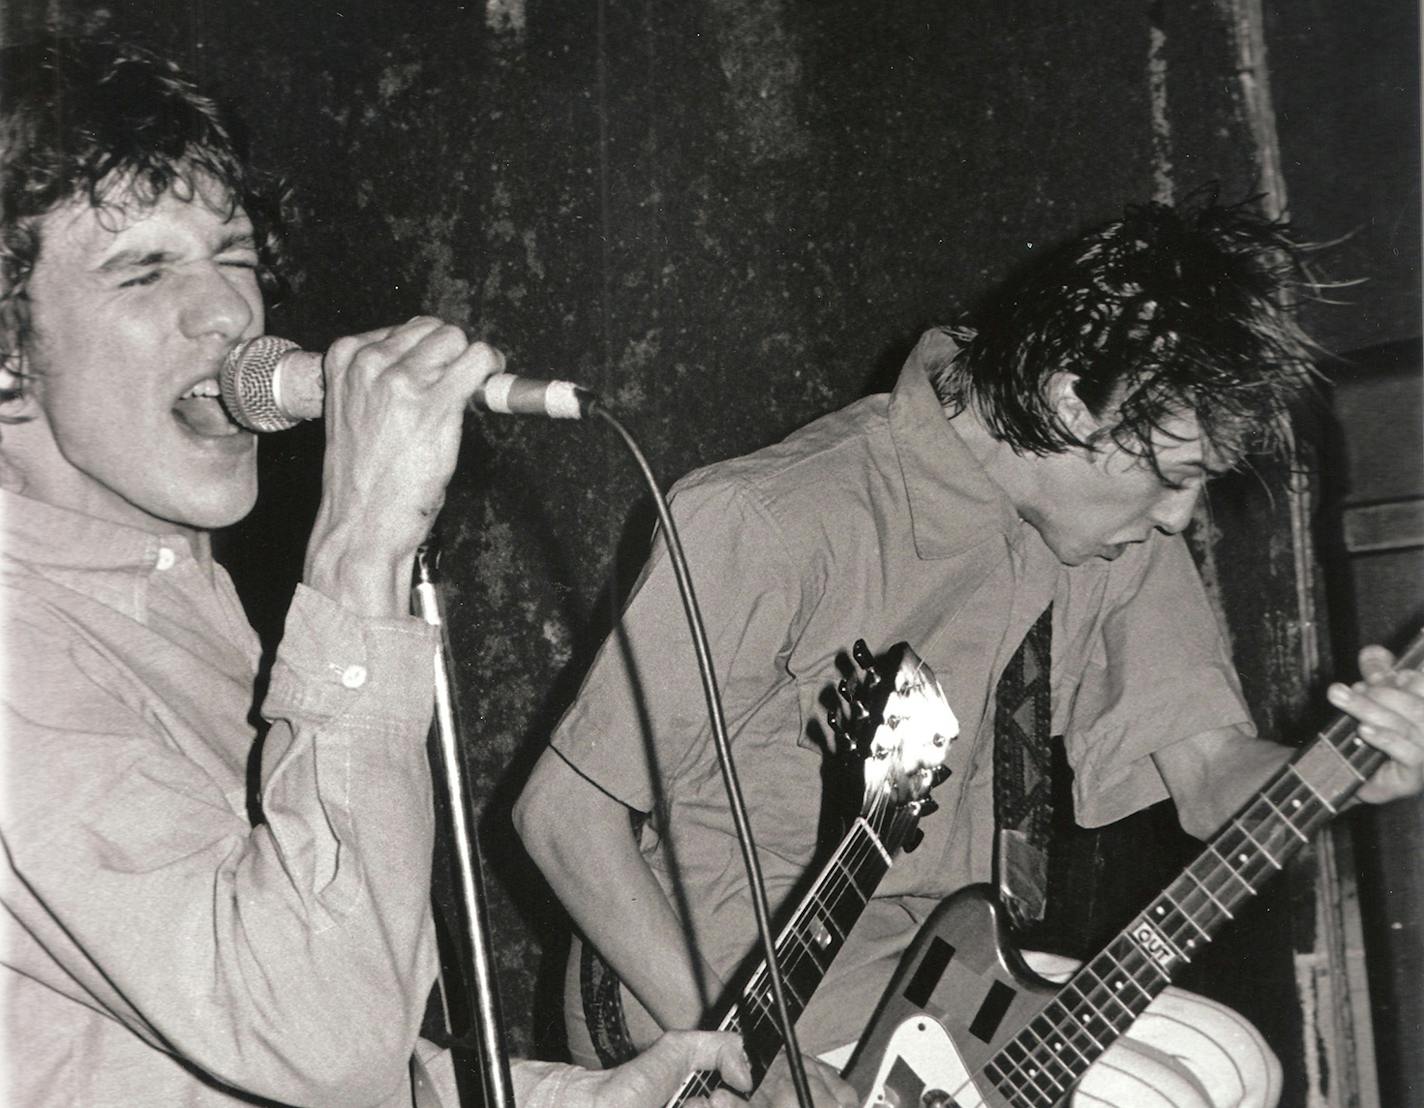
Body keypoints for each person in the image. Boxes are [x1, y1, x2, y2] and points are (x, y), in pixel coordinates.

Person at [0, 35, 855, 1108]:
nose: (227, 313)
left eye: (234, 254)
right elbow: (315, 1038)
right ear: (8, 347)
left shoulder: (170, 590)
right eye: (144, 269)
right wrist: (358, 555)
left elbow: (341, 1020)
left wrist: (580, 1100)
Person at [514, 195, 1424, 1107]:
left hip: (932, 974)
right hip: (708, 1001)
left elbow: (1212, 775)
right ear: (1072, 400)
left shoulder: (1114, 539)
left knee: (1232, 1065)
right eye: (1173, 476)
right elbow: (561, 817)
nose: (1181, 518)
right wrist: (767, 1060)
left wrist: (1342, 767)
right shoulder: (770, 520)